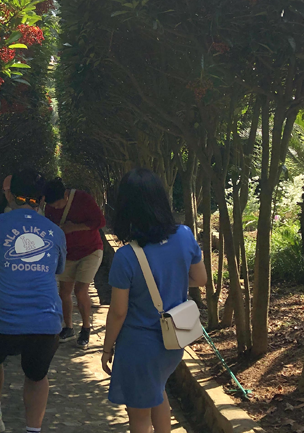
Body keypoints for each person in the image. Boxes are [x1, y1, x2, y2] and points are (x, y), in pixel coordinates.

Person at [100, 168, 208, 433]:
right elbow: (200, 278)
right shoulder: (184, 234)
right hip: (173, 341)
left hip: (139, 346)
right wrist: (171, 282)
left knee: (138, 417)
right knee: (157, 394)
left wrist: (106, 348)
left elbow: (118, 312)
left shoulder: (127, 257)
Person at [0, 169, 67, 433]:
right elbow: (56, 269)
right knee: (37, 377)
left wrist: (5, 266)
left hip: (1, 319)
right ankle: (33, 430)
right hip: (45, 322)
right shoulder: (55, 232)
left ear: (10, 194)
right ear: (42, 199)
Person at [42, 178, 106, 348]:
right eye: (52, 205)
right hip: (67, 253)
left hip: (90, 250)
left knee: (80, 290)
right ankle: (68, 327)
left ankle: (85, 328)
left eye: (58, 204)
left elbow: (100, 222)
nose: (55, 208)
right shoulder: (49, 206)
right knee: (64, 291)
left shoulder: (83, 199)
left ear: (65, 194)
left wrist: (74, 227)